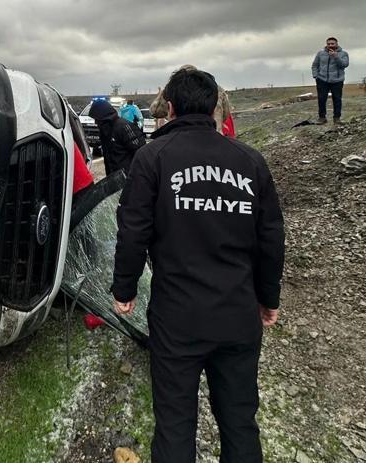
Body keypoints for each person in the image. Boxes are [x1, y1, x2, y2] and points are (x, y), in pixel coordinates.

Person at [111, 68, 285, 463]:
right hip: (237, 314)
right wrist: (268, 297)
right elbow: (271, 238)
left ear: (169, 108)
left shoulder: (152, 158)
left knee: (174, 424)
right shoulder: (250, 161)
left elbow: (133, 229)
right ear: (214, 108)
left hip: (178, 319)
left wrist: (125, 289)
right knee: (240, 423)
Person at [151, 65, 232, 135]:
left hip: (178, 136)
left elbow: (155, 111)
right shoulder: (215, 89)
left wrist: (163, 91)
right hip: (214, 134)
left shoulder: (174, 89)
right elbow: (226, 113)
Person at [89, 99, 146, 176]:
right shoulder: (105, 131)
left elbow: (141, 152)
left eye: (97, 119)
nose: (95, 122)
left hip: (129, 177)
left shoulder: (124, 127)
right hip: (114, 178)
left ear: (103, 116)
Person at [312, 37, 350, 124]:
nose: (330, 45)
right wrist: (316, 76)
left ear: (336, 44)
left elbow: (344, 65)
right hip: (322, 80)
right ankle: (322, 118)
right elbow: (315, 65)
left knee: (337, 99)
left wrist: (336, 56)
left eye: (332, 44)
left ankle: (337, 118)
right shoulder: (320, 53)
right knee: (321, 99)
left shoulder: (343, 53)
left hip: (337, 80)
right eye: (328, 44)